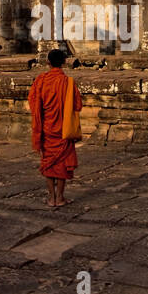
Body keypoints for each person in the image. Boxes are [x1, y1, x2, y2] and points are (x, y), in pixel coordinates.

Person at [28, 49, 83, 208]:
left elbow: (33, 103)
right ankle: (60, 197)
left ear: (48, 63)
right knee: (61, 164)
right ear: (64, 62)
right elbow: (78, 105)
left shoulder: (41, 80)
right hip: (63, 129)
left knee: (49, 163)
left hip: (46, 129)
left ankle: (51, 198)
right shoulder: (68, 83)